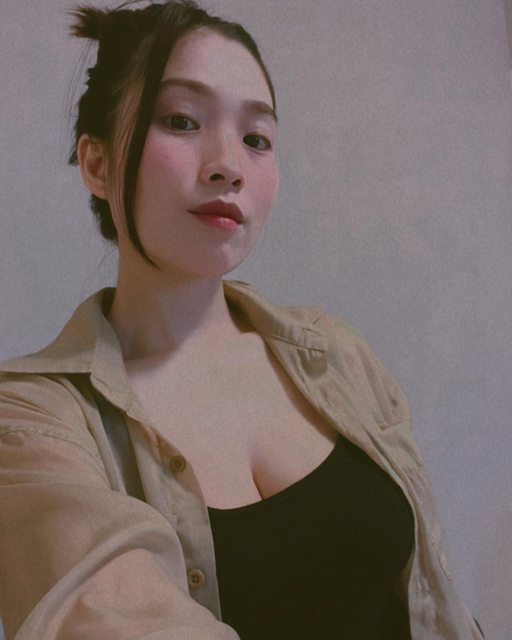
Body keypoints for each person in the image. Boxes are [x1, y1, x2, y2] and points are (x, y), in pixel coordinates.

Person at [0, 1, 484, 638]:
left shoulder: (333, 353)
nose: (228, 165)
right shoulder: (33, 422)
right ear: (97, 163)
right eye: (181, 120)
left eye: (257, 138)